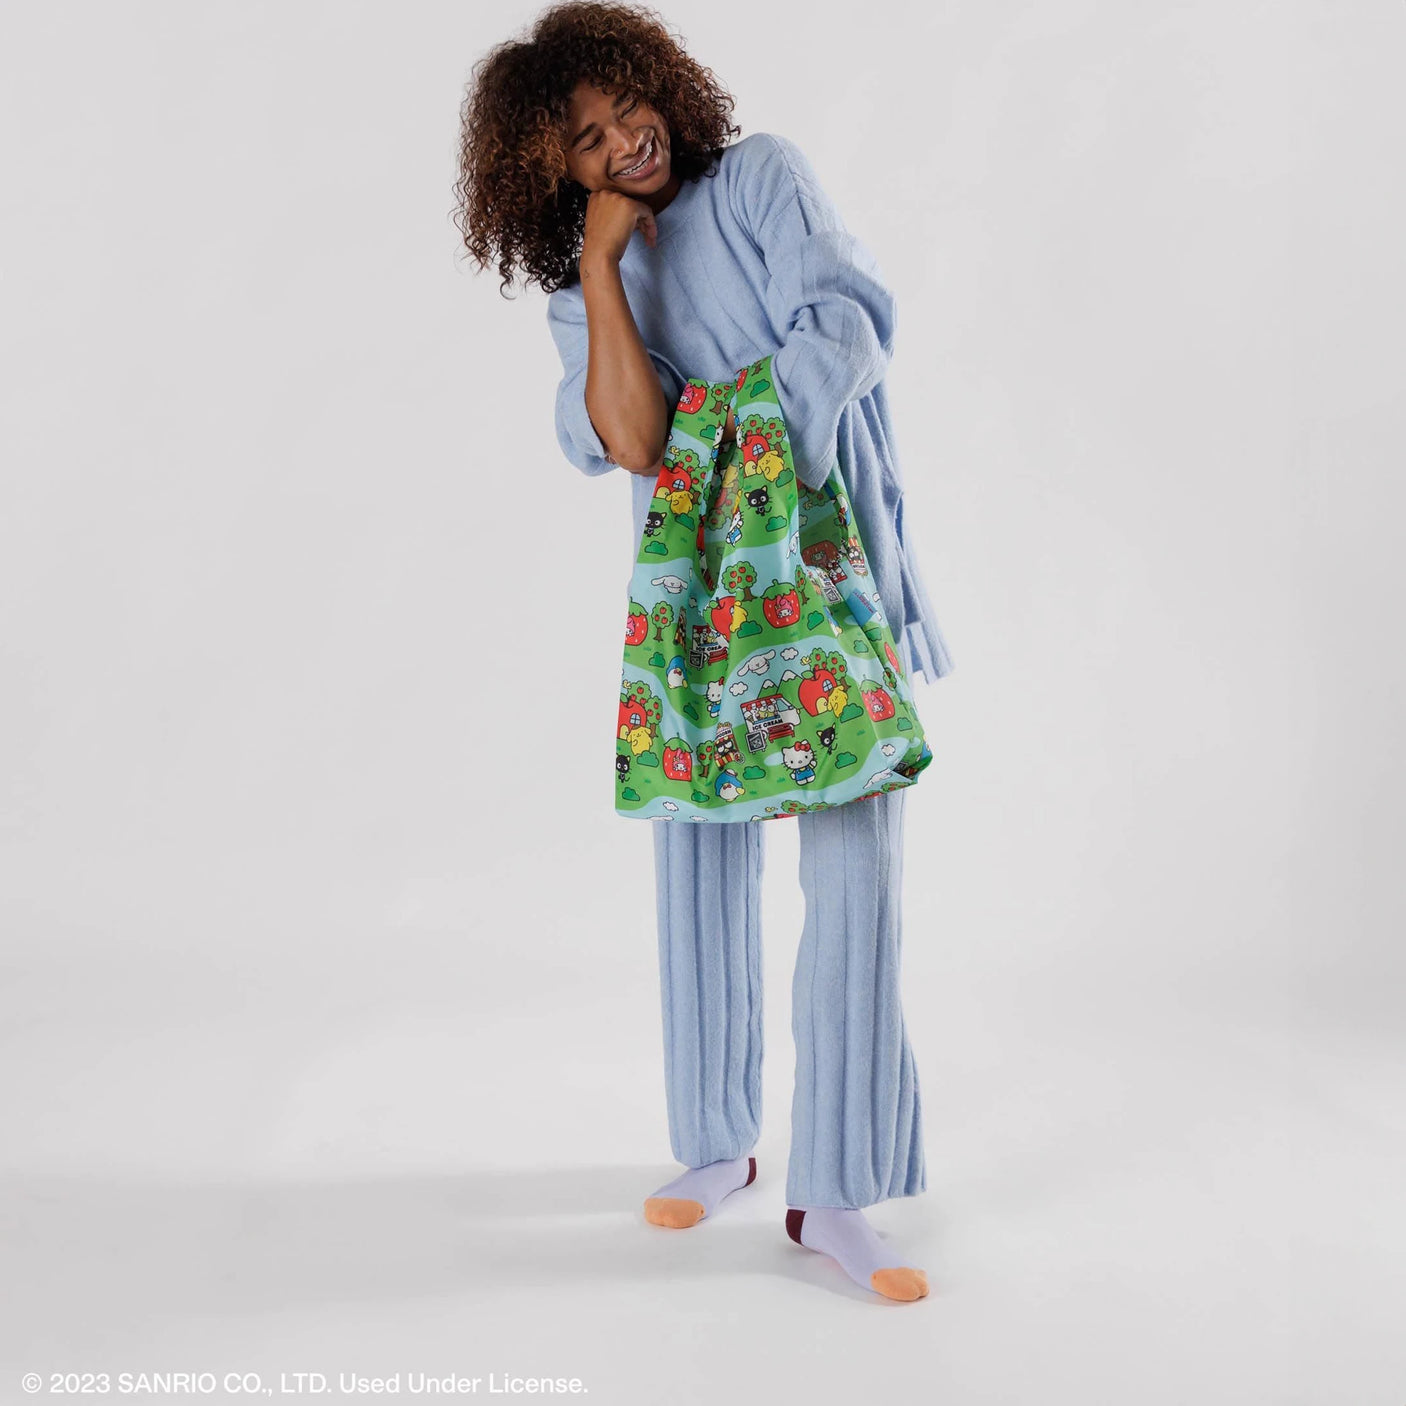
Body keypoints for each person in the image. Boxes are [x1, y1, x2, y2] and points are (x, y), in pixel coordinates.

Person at [455, 1, 956, 1302]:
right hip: (694, 620)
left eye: (634, 107)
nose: (629, 140)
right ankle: (714, 1143)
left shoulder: (763, 179)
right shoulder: (583, 290)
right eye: (588, 137)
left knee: (854, 870)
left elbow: (846, 318)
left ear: (665, 85)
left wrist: (736, 473)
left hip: (826, 579)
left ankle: (836, 1188)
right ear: (546, 167)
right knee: (697, 865)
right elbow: (623, 436)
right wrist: (612, 270)